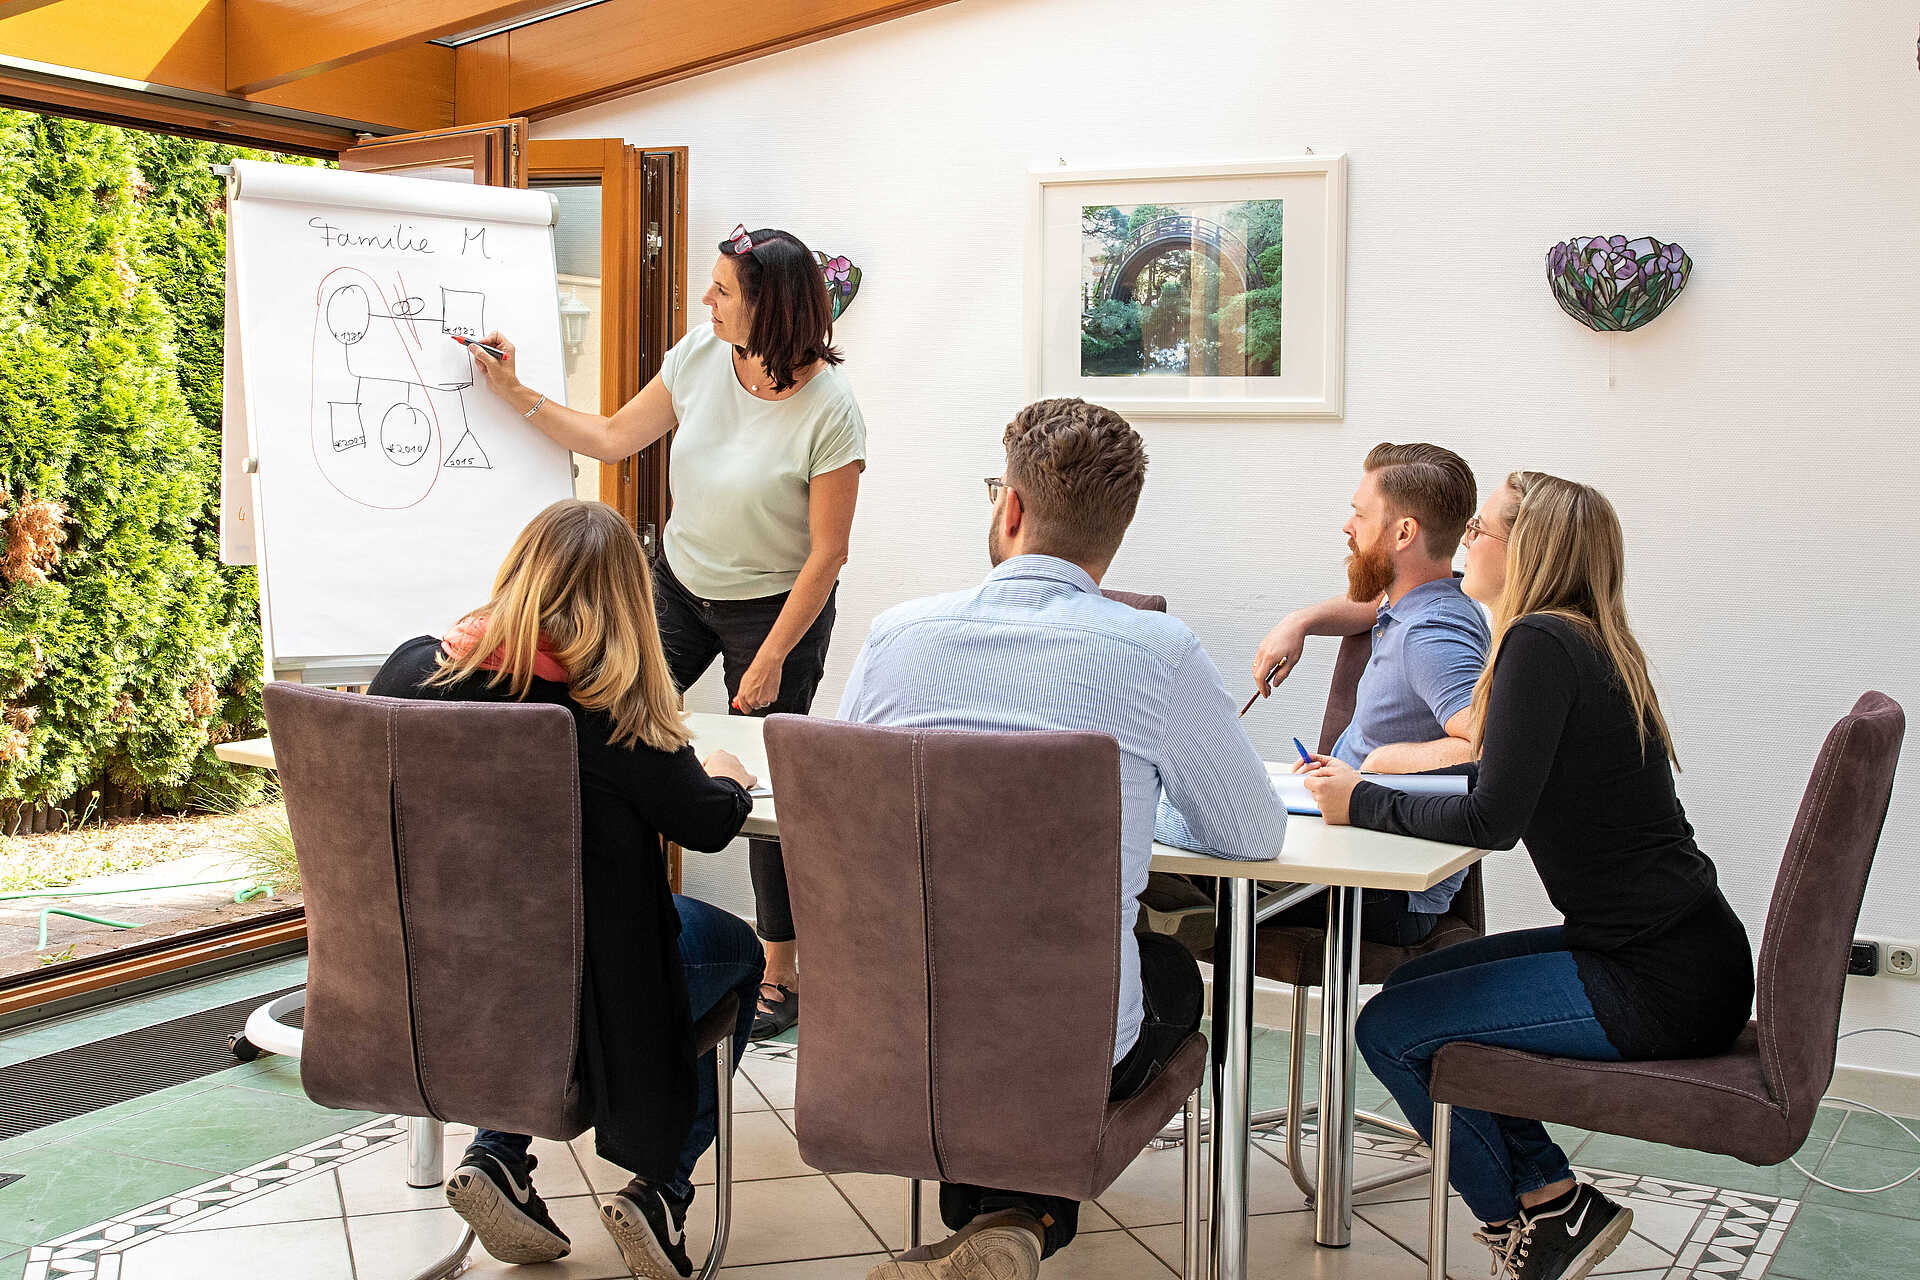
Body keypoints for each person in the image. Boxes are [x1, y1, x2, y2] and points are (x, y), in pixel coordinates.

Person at [839, 398, 1287, 1280]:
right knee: (1162, 976)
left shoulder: (895, 637)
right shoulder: (1158, 652)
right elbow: (1250, 833)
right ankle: (1020, 1219)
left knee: (975, 986)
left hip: (897, 1022)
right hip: (1067, 1049)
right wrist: (1140, 806)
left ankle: (1005, 1221)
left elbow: (854, 811)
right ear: (1115, 534)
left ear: (1009, 507)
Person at [1305, 473, 1755, 1280]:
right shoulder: (1581, 638)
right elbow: (1500, 780)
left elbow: (1493, 820)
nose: (1467, 542)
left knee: (1390, 1030)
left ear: (1529, 548)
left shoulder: (1539, 642)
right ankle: (1555, 1198)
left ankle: (1527, 1222)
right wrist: (1381, 777)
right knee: (1412, 990)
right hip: (1675, 953)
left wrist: (1361, 801)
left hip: (1656, 979)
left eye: (1481, 529)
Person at [469, 223, 866, 1041]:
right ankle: (595, 913)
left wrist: (773, 658)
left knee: (772, 781)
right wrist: (513, 392)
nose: (706, 299)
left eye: (723, 290)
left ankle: (780, 969)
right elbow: (614, 437)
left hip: (776, 609)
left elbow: (828, 553)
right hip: (678, 587)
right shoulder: (699, 356)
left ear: (770, 307)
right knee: (604, 721)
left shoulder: (832, 410)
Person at [368, 499, 764, 1279]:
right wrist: (726, 778)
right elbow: (707, 823)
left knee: (526, 954)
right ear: (629, 604)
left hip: (444, 969)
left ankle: (498, 1154)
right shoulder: (611, 717)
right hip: (585, 989)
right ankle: (662, 1189)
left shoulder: (414, 671)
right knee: (740, 953)